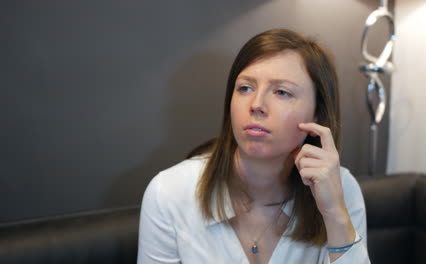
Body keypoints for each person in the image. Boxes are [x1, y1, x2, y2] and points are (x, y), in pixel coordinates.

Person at [137, 28, 370, 264]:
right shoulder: (169, 192)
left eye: (282, 92)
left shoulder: (342, 188)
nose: (256, 104)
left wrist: (335, 214)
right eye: (245, 88)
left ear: (318, 113)